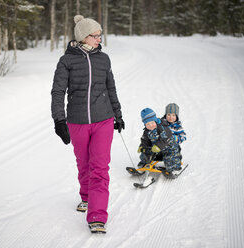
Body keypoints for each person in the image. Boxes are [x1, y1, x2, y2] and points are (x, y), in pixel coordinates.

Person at [51, 15, 124, 234]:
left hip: (104, 119)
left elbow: (111, 87)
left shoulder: (104, 59)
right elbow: (57, 92)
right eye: (95, 35)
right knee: (84, 164)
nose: (99, 39)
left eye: (100, 35)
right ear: (83, 36)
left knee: (100, 168)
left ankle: (97, 216)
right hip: (78, 121)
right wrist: (59, 120)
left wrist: (118, 114)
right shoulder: (66, 61)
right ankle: (86, 197)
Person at [137, 108, 181, 173]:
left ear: (155, 121)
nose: (151, 126)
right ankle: (144, 164)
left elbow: (165, 138)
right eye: (148, 124)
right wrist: (142, 146)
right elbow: (145, 140)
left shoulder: (162, 127)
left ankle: (174, 168)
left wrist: (158, 146)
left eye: (152, 123)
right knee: (145, 152)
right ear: (145, 124)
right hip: (156, 150)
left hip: (169, 149)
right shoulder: (147, 131)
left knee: (170, 159)